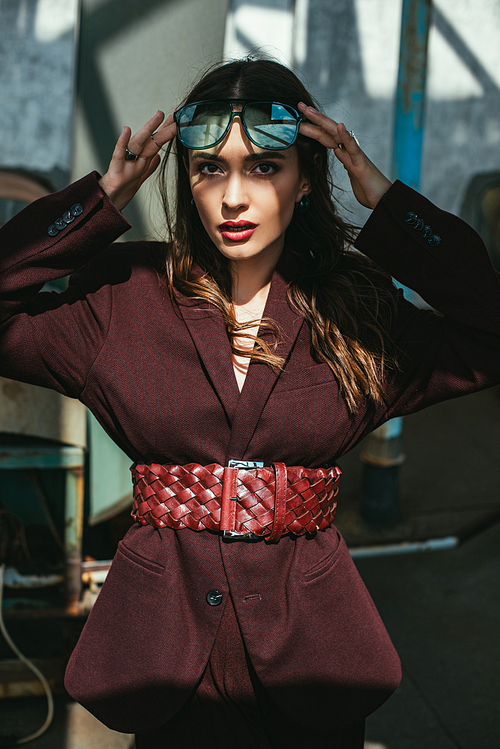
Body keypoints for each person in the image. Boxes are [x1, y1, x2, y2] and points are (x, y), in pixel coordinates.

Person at [1, 58, 499, 748]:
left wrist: (387, 204)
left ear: (304, 180)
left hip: (312, 664)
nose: (234, 196)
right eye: (210, 168)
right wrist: (100, 200)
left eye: (264, 167)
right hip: (165, 660)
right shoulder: (123, 296)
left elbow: (488, 334)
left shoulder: (356, 311)